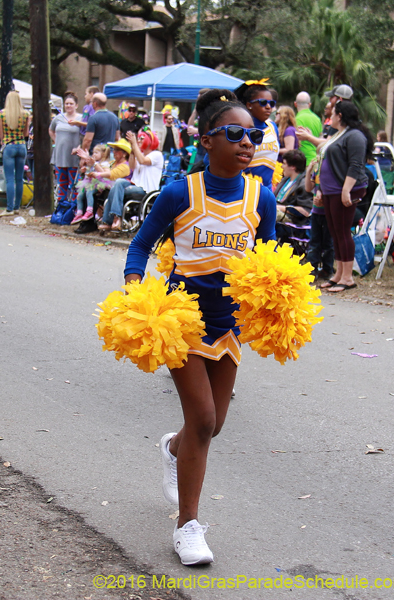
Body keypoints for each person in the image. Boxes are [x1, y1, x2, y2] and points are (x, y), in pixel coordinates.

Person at [124, 89, 276, 566]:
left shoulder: (262, 197)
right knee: (205, 421)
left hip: (229, 324)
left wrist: (275, 304)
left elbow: (269, 262)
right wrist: (136, 291)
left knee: (212, 425)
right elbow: (140, 247)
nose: (247, 142)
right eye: (235, 134)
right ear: (208, 141)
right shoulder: (180, 192)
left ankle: (172, 448)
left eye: (253, 134)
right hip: (183, 321)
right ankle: (187, 525)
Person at [316, 101, 375, 293]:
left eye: (332, 114)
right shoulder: (338, 134)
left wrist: (346, 189)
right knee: (335, 232)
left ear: (340, 115)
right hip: (331, 190)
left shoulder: (355, 136)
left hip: (345, 189)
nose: (329, 117)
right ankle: (338, 274)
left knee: (343, 232)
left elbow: (356, 164)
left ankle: (348, 278)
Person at [100, 131, 163, 231]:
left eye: (142, 139)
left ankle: (113, 219)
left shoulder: (157, 155)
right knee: (117, 184)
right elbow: (132, 166)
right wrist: (133, 150)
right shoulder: (140, 153)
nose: (139, 140)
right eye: (138, 139)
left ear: (150, 141)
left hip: (146, 189)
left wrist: (134, 145)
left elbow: (143, 161)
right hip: (134, 184)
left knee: (117, 186)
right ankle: (115, 219)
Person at [235, 80, 279, 189]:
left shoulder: (273, 127)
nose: (268, 107)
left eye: (272, 103)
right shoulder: (240, 129)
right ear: (249, 105)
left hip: (267, 191)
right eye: (263, 102)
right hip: (243, 189)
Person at [0, 90, 32, 217]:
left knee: (9, 179)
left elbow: (1, 135)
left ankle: (9, 208)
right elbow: (26, 133)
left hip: (9, 145)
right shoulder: (26, 114)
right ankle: (17, 207)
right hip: (21, 145)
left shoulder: (2, 114)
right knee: (19, 178)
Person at [50, 92, 83, 208]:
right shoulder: (58, 118)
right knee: (61, 183)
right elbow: (51, 130)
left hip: (73, 157)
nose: (68, 106)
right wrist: (56, 141)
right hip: (60, 155)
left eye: (71, 104)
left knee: (73, 184)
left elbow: (85, 134)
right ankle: (61, 207)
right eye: (66, 104)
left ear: (76, 105)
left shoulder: (80, 119)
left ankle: (73, 207)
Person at [273, 149, 313, 240]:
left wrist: (278, 207)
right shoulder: (285, 180)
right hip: (279, 215)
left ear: (293, 167)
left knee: (267, 213)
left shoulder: (304, 184)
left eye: (284, 163)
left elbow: (306, 211)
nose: (282, 166)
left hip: (292, 220)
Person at [70, 143, 111, 224]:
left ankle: (89, 210)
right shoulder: (93, 162)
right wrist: (86, 170)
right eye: (93, 153)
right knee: (80, 194)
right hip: (90, 182)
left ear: (103, 154)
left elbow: (103, 173)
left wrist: (94, 165)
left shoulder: (104, 163)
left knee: (89, 190)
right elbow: (90, 171)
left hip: (100, 184)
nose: (94, 155)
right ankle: (79, 212)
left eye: (96, 153)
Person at [294, 91, 322, 162]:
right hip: (316, 158)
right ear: (310, 104)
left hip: (303, 160)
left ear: (295, 104)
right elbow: (321, 139)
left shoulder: (296, 120)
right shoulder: (317, 119)